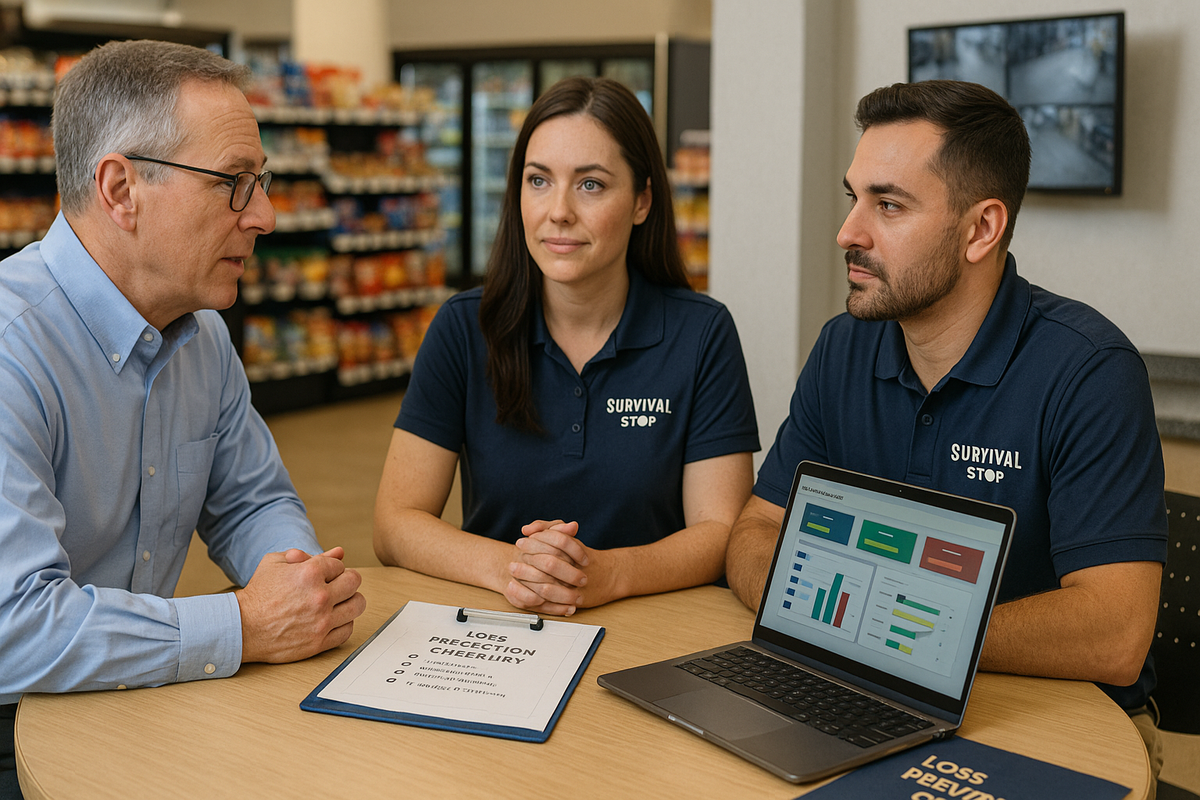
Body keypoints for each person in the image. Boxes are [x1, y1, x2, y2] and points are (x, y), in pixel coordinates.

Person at [724, 80, 1167, 792]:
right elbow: (753, 530)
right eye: (853, 197)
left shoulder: (1089, 370)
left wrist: (890, 633)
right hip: (855, 694)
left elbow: (1115, 634)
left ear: (981, 229)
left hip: (1059, 727)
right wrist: (846, 629)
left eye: (889, 205)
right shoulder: (843, 347)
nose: (848, 232)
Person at [0, 40, 365, 796]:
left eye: (260, 183)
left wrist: (296, 584)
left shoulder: (203, 337)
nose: (263, 216)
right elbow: (15, 631)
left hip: (135, 696)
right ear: (121, 189)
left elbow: (253, 501)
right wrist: (245, 625)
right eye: (234, 183)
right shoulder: (11, 350)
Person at [374, 77, 759, 617]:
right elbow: (395, 523)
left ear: (642, 200)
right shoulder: (464, 327)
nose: (558, 211)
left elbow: (720, 531)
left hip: (652, 629)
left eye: (591, 185)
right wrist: (516, 569)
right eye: (538, 181)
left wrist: (608, 575)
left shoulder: (702, 334)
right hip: (495, 629)